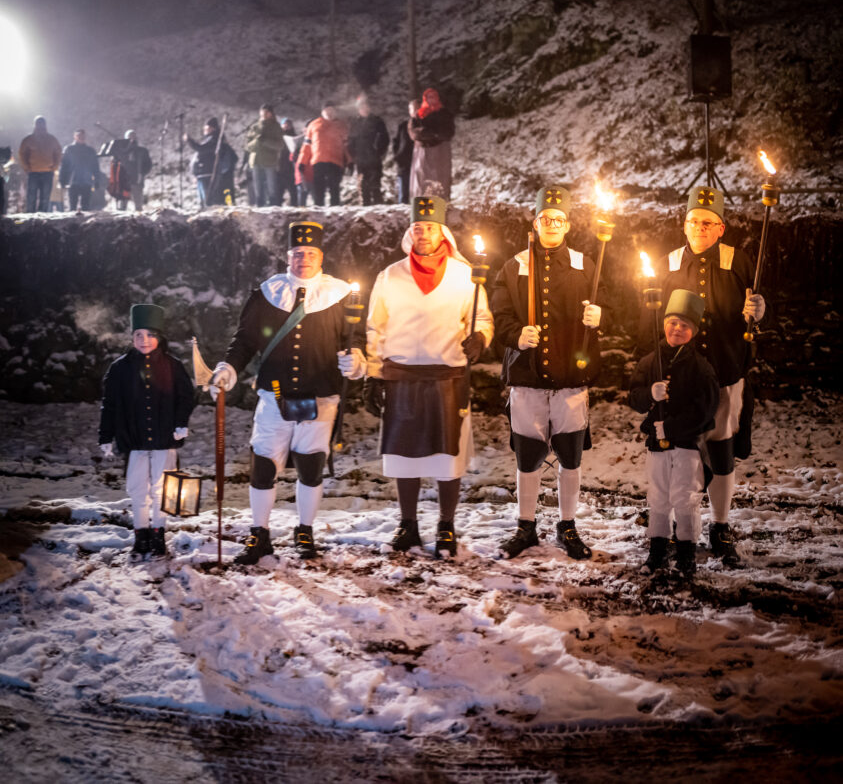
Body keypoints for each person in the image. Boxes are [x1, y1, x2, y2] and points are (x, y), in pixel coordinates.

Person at [210, 222, 366, 564]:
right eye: (297, 253)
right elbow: (245, 341)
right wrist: (229, 367)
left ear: (321, 257)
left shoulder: (341, 295)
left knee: (311, 467)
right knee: (263, 464)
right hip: (273, 396)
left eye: (310, 253)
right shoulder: (266, 292)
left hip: (321, 397)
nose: (303, 259)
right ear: (287, 257)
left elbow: (356, 340)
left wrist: (357, 361)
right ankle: (260, 534)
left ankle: (304, 531)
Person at [365, 196, 493, 556]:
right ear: (410, 232)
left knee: (446, 457)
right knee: (405, 455)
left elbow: (481, 318)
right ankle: (407, 525)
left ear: (442, 232)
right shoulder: (390, 276)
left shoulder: (465, 275)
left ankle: (446, 525)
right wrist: (374, 375)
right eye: (418, 228)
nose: (424, 233)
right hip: (401, 375)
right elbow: (376, 326)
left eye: (430, 228)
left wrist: (480, 339)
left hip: (446, 376)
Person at [645, 187, 765, 567]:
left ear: (721, 228)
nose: (699, 227)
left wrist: (759, 311)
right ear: (684, 224)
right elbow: (648, 322)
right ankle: (678, 527)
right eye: (693, 221)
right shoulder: (668, 263)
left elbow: (759, 311)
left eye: (707, 222)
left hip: (726, 374)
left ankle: (721, 525)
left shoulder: (739, 261)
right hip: (681, 379)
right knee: (680, 454)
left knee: (721, 450)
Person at [490, 185, 604, 560]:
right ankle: (526, 526)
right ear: (535, 221)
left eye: (559, 219)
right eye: (545, 218)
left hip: (572, 375)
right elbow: (501, 315)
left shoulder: (585, 263)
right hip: (527, 377)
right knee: (528, 454)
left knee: (570, 456)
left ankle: (567, 525)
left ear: (567, 224)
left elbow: (613, 304)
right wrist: (515, 335)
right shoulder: (515, 265)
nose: (551, 224)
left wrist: (600, 317)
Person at [628, 289, 719, 577]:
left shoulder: (701, 367)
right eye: (673, 323)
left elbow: (705, 409)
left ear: (693, 331)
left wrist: (672, 426)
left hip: (686, 446)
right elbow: (633, 397)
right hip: (657, 446)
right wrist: (649, 395)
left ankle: (686, 556)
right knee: (658, 498)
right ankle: (656, 553)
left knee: (684, 498)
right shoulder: (649, 361)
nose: (677, 329)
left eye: (684, 325)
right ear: (664, 323)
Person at [98, 304, 195, 560]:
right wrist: (105, 436)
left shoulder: (173, 365)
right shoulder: (119, 369)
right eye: (138, 335)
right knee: (138, 488)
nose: (144, 340)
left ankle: (158, 533)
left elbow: (186, 396)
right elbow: (110, 405)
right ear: (131, 338)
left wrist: (181, 422)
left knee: (161, 489)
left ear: (159, 338)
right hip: (134, 440)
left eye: (150, 335)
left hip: (165, 438)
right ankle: (140, 535)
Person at [298, 104, 349, 206]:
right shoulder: (314, 125)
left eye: (332, 110)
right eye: (327, 110)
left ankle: (335, 210)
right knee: (318, 188)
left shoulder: (341, 126)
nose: (329, 113)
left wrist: (350, 160)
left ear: (335, 112)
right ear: (322, 112)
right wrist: (302, 161)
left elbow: (346, 146)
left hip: (336, 160)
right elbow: (307, 146)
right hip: (318, 160)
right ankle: (318, 208)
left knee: (334, 187)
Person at [408, 88, 454, 201]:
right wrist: (430, 133)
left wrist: (432, 134)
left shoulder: (444, 114)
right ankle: (420, 208)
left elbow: (448, 132)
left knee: (440, 178)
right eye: (429, 97)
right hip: (422, 153)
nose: (431, 100)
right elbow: (414, 132)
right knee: (422, 180)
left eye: (433, 97)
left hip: (440, 152)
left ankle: (441, 206)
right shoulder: (419, 115)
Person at [184, 117, 237, 208]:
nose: (205, 130)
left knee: (207, 201)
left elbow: (200, 149)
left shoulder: (214, 140)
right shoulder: (210, 140)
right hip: (202, 174)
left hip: (207, 174)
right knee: (203, 201)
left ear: (213, 128)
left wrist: (189, 140)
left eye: (207, 128)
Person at [348, 97, 389, 205]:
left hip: (374, 157)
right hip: (360, 157)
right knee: (363, 183)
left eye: (366, 106)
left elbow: (384, 138)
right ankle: (365, 205)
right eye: (361, 107)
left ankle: (378, 206)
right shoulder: (355, 123)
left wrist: (379, 151)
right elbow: (351, 140)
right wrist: (354, 155)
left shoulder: (377, 121)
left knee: (375, 183)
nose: (364, 109)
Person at [18, 115, 62, 213]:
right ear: (35, 125)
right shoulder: (28, 140)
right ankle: (29, 218)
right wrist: (26, 167)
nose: (40, 126)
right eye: (38, 124)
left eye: (42, 124)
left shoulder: (52, 139)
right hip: (33, 172)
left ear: (45, 125)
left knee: (45, 198)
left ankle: (42, 219)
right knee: (31, 197)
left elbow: (58, 153)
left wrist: (55, 167)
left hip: (48, 172)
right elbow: (22, 154)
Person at [245, 104, 285, 207]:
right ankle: (259, 207)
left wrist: (265, 141)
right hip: (256, 161)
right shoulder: (254, 127)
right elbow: (247, 146)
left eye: (267, 112)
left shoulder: (276, 127)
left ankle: (273, 207)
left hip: (270, 161)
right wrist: (257, 142)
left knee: (271, 188)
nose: (264, 114)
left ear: (271, 113)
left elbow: (280, 145)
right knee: (258, 188)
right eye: (263, 111)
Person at [59, 129, 100, 211]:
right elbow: (64, 166)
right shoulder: (69, 149)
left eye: (83, 136)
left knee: (86, 207)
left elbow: (95, 167)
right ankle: (72, 223)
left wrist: (97, 180)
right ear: (74, 137)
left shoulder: (90, 151)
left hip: (86, 182)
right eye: (79, 135)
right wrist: (62, 180)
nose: (81, 137)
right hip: (73, 181)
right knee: (72, 206)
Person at [118, 130, 152, 211]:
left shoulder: (142, 151)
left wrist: (142, 173)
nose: (132, 139)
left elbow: (148, 164)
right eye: (130, 137)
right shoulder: (122, 151)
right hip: (124, 181)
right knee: (122, 205)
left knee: (138, 204)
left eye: (134, 136)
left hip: (137, 179)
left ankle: (139, 220)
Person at [393, 100, 418, 204]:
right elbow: (396, 142)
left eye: (418, 108)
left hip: (419, 163)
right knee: (404, 194)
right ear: (409, 111)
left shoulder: (425, 125)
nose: (416, 111)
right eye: (413, 109)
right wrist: (397, 155)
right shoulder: (403, 125)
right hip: (404, 163)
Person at [277, 118, 298, 206]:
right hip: (279, 167)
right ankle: (276, 208)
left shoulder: (295, 137)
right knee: (278, 190)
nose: (286, 126)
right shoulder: (277, 137)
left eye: (288, 124)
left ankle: (294, 206)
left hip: (291, 168)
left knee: (293, 190)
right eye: (284, 124)